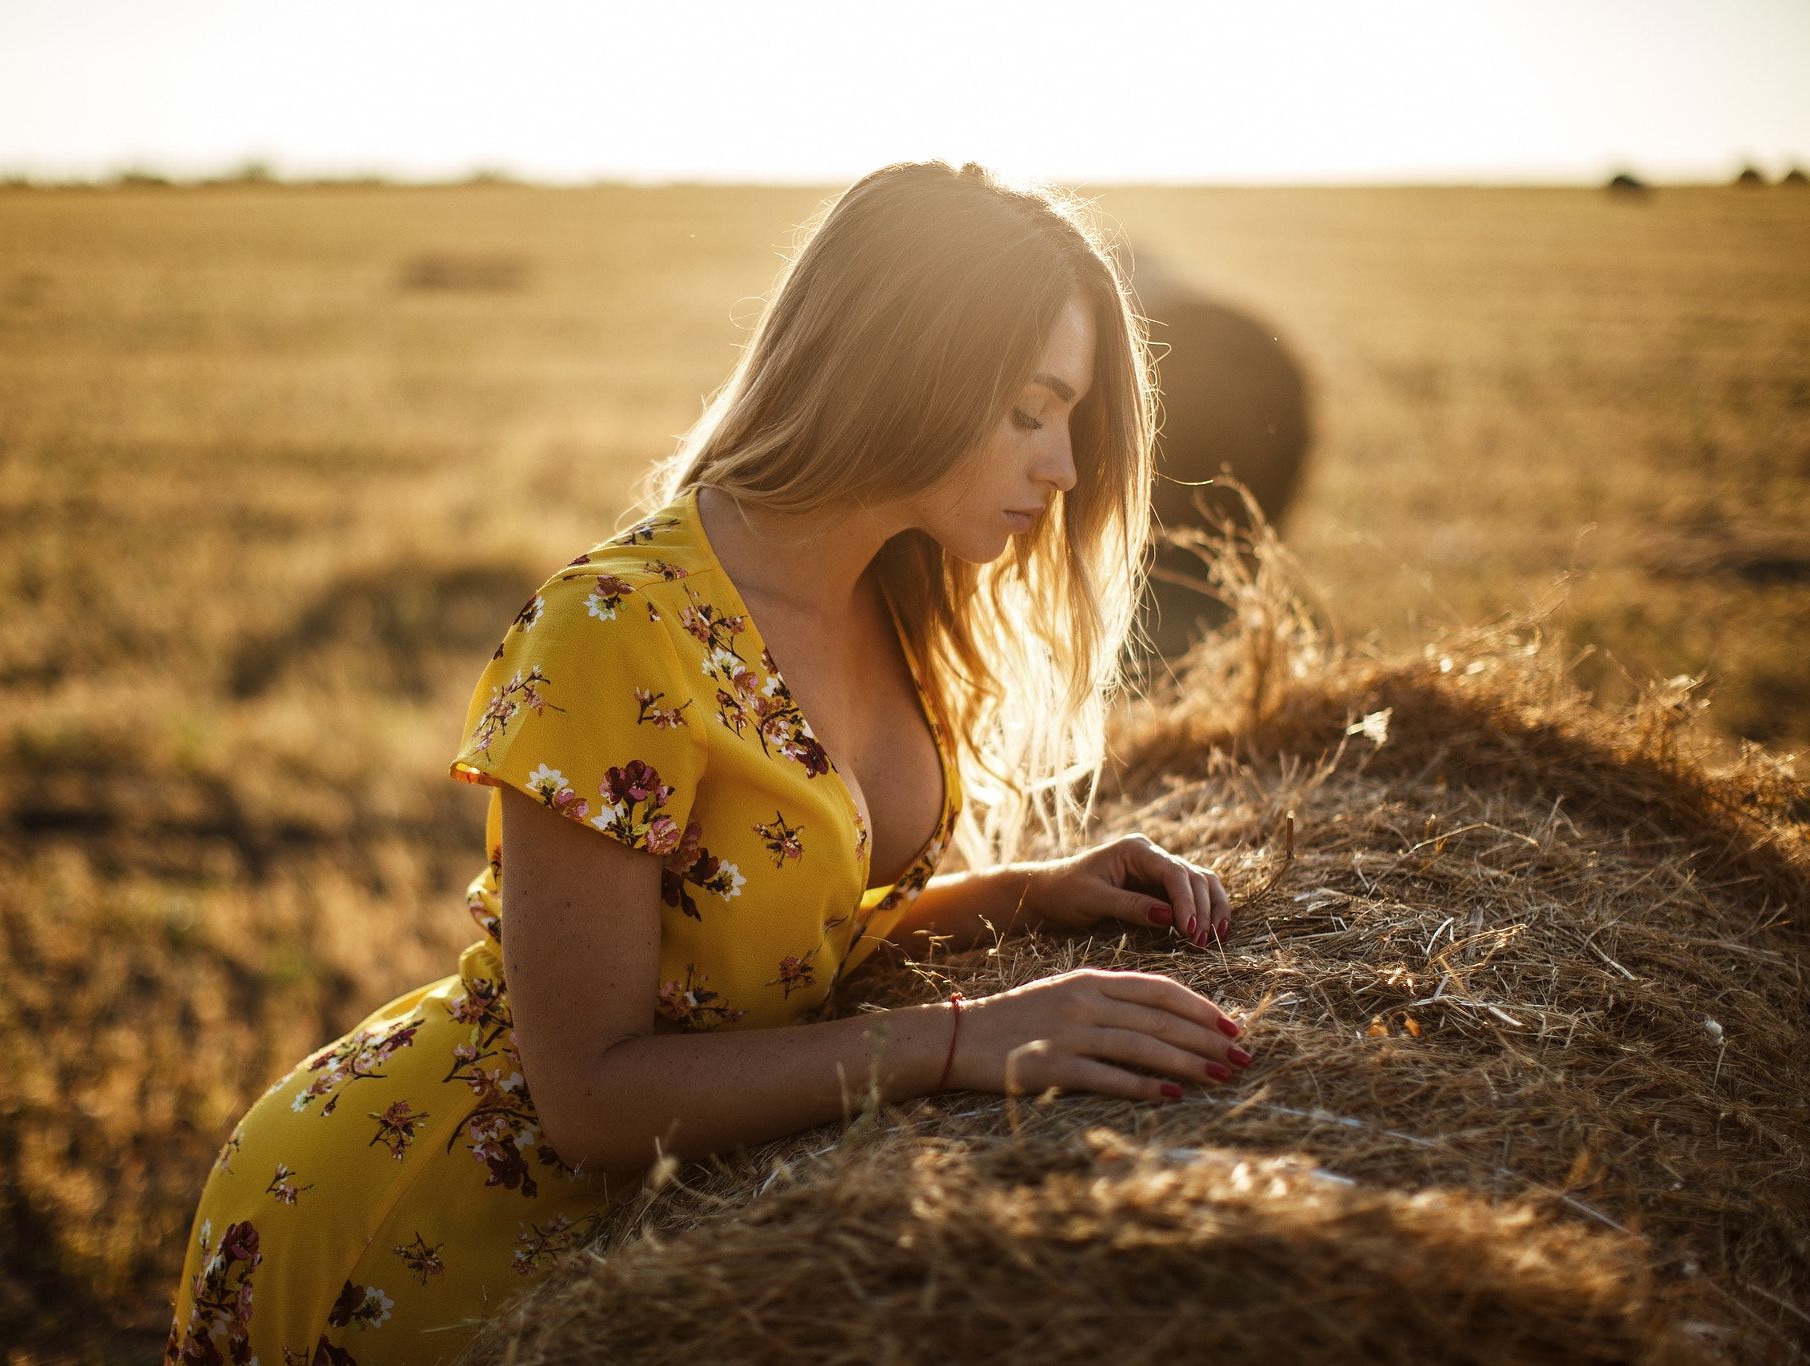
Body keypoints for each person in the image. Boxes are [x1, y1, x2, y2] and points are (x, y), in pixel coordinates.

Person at [162, 158, 1250, 1365]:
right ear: (907, 374)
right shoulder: (616, 632)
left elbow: (772, 945)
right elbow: (587, 1093)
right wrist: (962, 1037)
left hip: (652, 1241)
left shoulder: (894, 596)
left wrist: (1024, 895)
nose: (1060, 467)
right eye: (1029, 411)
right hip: (419, 1232)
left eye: (1070, 419)